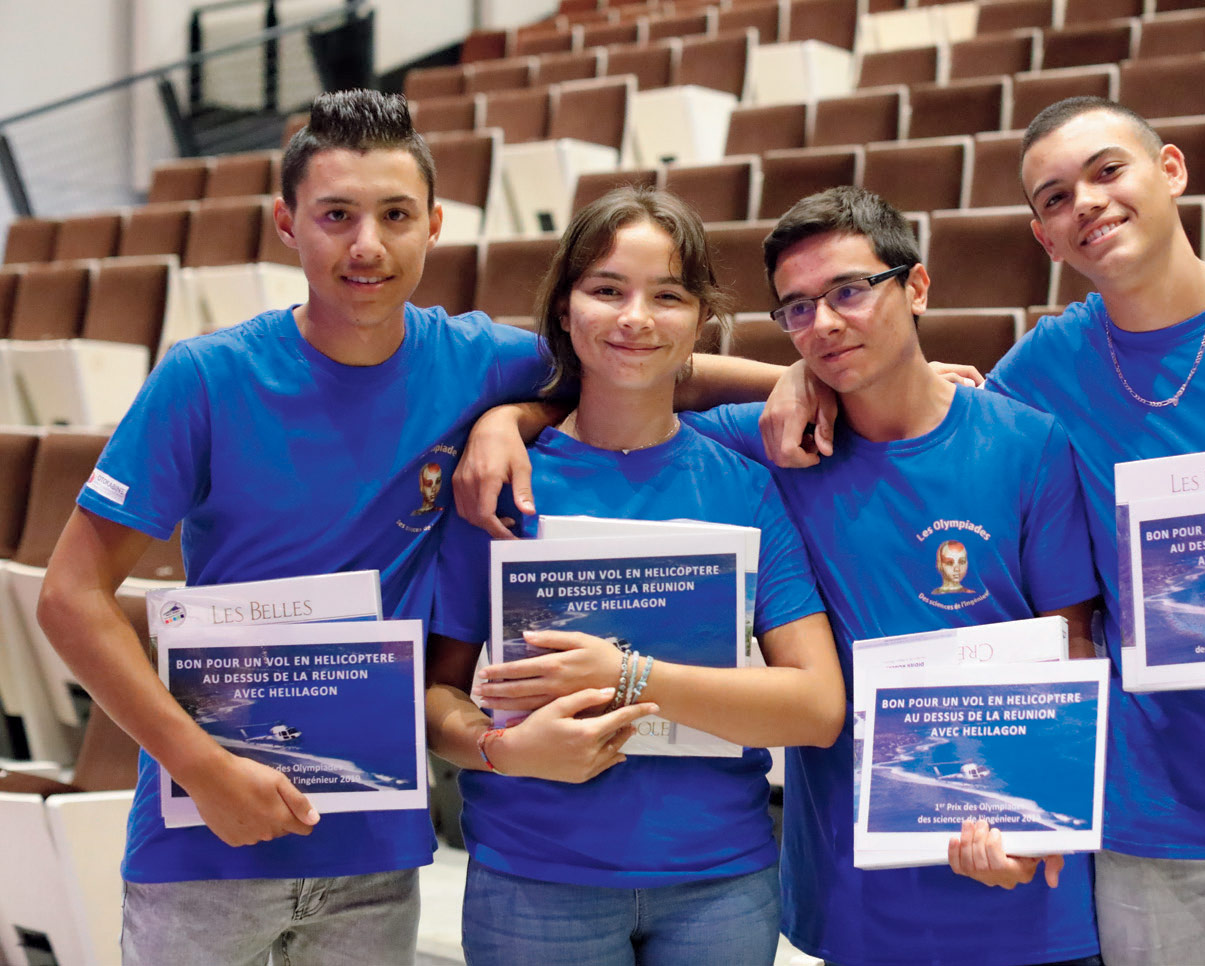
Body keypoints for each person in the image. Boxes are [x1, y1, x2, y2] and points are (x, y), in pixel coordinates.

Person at [35, 90, 784, 966]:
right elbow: (67, 597)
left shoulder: (471, 360)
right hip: (210, 828)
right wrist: (200, 767)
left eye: (394, 215)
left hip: (373, 842)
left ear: (432, 223)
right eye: (336, 215)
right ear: (286, 223)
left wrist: (815, 380)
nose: (366, 245)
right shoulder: (205, 378)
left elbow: (643, 364)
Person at [761, 98, 1205, 964]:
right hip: (1153, 816)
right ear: (1043, 239)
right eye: (1054, 199)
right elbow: (933, 419)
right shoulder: (1040, 375)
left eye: (1105, 171)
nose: (1084, 203)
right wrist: (802, 377)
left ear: (1170, 170)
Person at [672, 186, 1102, 966]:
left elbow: (1072, 641)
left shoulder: (1027, 443)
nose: (824, 323)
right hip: (857, 894)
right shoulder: (780, 440)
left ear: (917, 286)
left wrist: (1042, 820)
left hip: (1024, 880)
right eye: (796, 308)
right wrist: (783, 375)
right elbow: (638, 372)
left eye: (848, 291)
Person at [425, 186, 844, 966]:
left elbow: (816, 706)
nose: (635, 319)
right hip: (534, 878)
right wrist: (496, 749)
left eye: (668, 296)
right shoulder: (499, 482)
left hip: (720, 880)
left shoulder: (742, 484)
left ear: (698, 321)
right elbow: (433, 696)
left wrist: (628, 676)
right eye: (607, 290)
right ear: (562, 307)